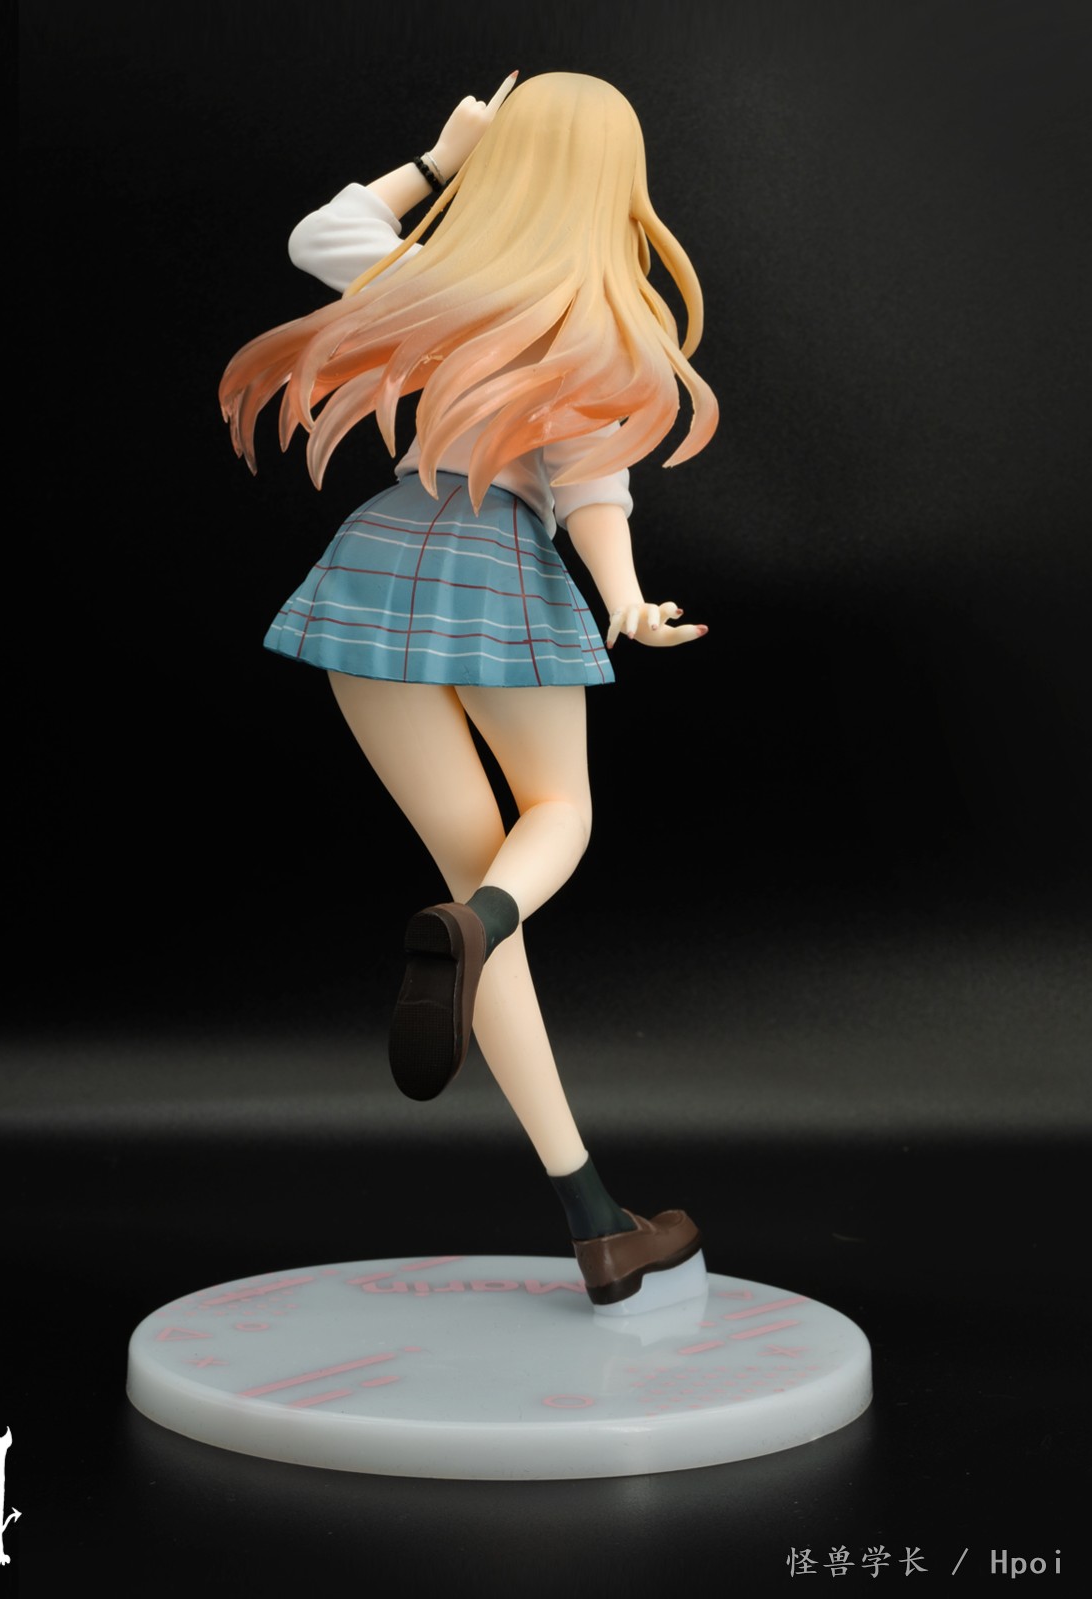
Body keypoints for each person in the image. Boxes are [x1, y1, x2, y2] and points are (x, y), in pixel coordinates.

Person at [220, 72, 718, 1313]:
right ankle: (483, 921)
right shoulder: (598, 318)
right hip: (496, 570)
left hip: (373, 562)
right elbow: (591, 484)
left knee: (468, 872)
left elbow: (320, 235)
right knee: (554, 819)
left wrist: (436, 161)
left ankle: (594, 1218)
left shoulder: (437, 284)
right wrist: (624, 598)